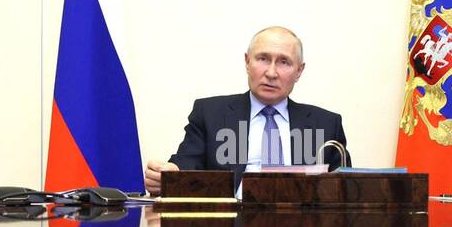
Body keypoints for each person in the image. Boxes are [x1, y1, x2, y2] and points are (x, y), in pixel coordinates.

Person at [143, 26, 348, 195]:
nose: (271, 72)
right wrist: (170, 174)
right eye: (263, 59)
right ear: (247, 62)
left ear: (299, 71)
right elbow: (188, 162)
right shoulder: (210, 113)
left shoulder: (326, 124)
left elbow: (347, 190)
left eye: (284, 62)